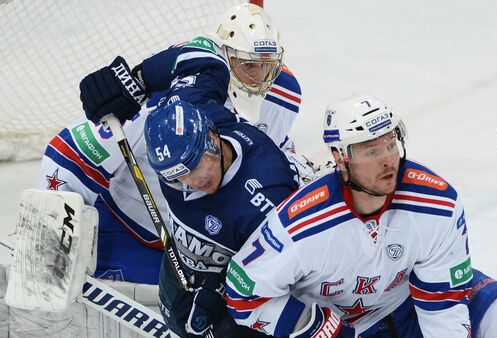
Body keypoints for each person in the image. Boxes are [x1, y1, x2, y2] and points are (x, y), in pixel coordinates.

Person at [225, 92, 497, 337]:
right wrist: (317, 328)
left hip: (416, 301)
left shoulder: (437, 203)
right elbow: (244, 293)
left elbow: (443, 306)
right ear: (340, 158)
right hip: (351, 328)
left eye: (390, 144)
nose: (388, 160)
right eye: (371, 150)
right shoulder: (301, 225)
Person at [39, 2, 303, 285]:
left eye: (268, 65)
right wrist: (54, 235)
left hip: (208, 245)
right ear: (225, 56)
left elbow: (274, 148)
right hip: (127, 231)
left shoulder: (284, 92)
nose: (260, 78)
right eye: (248, 65)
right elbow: (70, 153)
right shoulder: (171, 101)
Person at [143, 98, 300, 337]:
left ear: (212, 138)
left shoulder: (269, 195)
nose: (194, 183)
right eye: (178, 178)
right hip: (177, 282)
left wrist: (218, 291)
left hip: (236, 310)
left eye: (195, 167)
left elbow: (283, 278)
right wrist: (136, 80)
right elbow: (200, 67)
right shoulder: (193, 118)